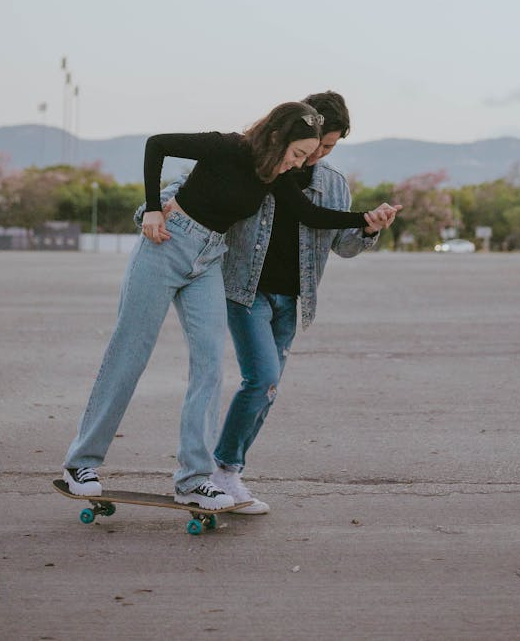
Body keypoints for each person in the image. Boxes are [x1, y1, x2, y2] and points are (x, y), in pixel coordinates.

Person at [62, 101, 397, 511]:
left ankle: (194, 479)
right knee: (130, 353)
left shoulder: (275, 176)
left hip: (208, 260)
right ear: (277, 138)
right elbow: (157, 145)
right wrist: (151, 207)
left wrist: (366, 218)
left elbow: (308, 212)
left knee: (209, 366)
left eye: (307, 158)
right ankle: (81, 463)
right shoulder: (227, 147)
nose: (299, 165)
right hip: (166, 245)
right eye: (297, 154)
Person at [157, 91, 401, 514]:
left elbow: (343, 244)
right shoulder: (259, 164)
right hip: (245, 291)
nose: (317, 155)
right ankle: (219, 471)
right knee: (262, 378)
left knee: (267, 389)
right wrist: (156, 208)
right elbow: (181, 188)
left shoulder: (333, 184)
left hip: (293, 299)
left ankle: (228, 474)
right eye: (317, 144)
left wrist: (369, 228)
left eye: (329, 149)